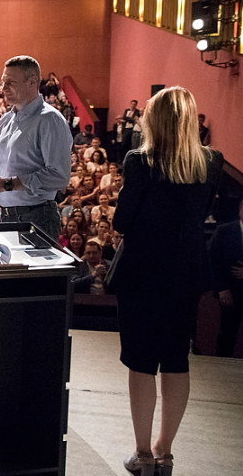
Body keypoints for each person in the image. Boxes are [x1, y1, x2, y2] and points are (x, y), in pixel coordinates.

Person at [109, 87, 223, 476]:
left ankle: (142, 454)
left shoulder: (140, 162)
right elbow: (201, 216)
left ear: (154, 121)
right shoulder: (212, 162)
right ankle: (164, 453)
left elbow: (123, 221)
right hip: (186, 272)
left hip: (142, 272)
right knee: (176, 360)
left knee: (141, 361)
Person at [0, 56, 72, 238]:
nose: (3, 88)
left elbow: (59, 176)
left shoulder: (50, 120)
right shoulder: (5, 120)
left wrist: (6, 184)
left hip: (37, 217)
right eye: (3, 82)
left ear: (32, 82)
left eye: (11, 82)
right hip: (4, 215)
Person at [209, 200, 243, 358]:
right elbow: (213, 260)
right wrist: (222, 289)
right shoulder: (224, 231)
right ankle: (223, 365)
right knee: (227, 332)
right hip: (230, 290)